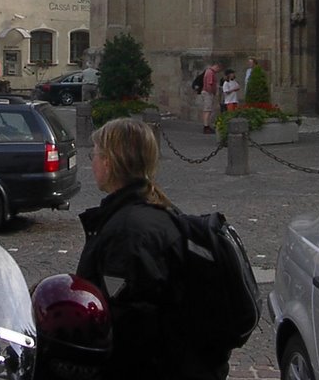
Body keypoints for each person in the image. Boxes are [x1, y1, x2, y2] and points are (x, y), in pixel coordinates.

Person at [77, 118, 227, 379]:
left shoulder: (129, 230)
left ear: (109, 163)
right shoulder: (151, 208)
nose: (92, 162)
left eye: (96, 154)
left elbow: (126, 316)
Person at [201, 61, 221, 134]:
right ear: (216, 66)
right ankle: (206, 126)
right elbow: (209, 84)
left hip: (206, 92)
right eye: (218, 69)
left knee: (207, 110)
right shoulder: (210, 72)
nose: (218, 71)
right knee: (207, 110)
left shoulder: (208, 71)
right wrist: (212, 92)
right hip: (208, 93)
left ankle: (207, 125)